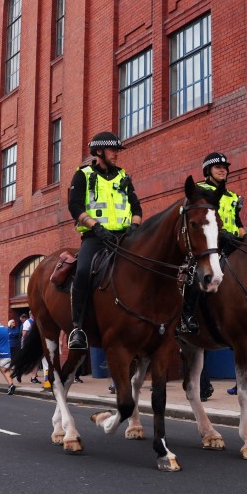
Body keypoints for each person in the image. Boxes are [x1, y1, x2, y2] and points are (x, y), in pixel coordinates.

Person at [67, 131, 143, 350]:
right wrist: (96, 227)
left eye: (117, 150)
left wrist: (135, 227)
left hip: (124, 237)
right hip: (96, 237)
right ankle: (78, 328)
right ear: (99, 151)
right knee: (82, 272)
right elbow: (75, 206)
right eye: (112, 150)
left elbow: (136, 207)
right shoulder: (83, 175)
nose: (116, 154)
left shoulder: (123, 176)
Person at [179, 152, 245, 336]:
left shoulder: (232, 196)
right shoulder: (199, 190)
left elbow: (237, 221)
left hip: (233, 242)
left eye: (225, 168)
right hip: (210, 243)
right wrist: (221, 234)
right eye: (218, 167)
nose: (223, 170)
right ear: (208, 171)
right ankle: (186, 317)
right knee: (195, 272)